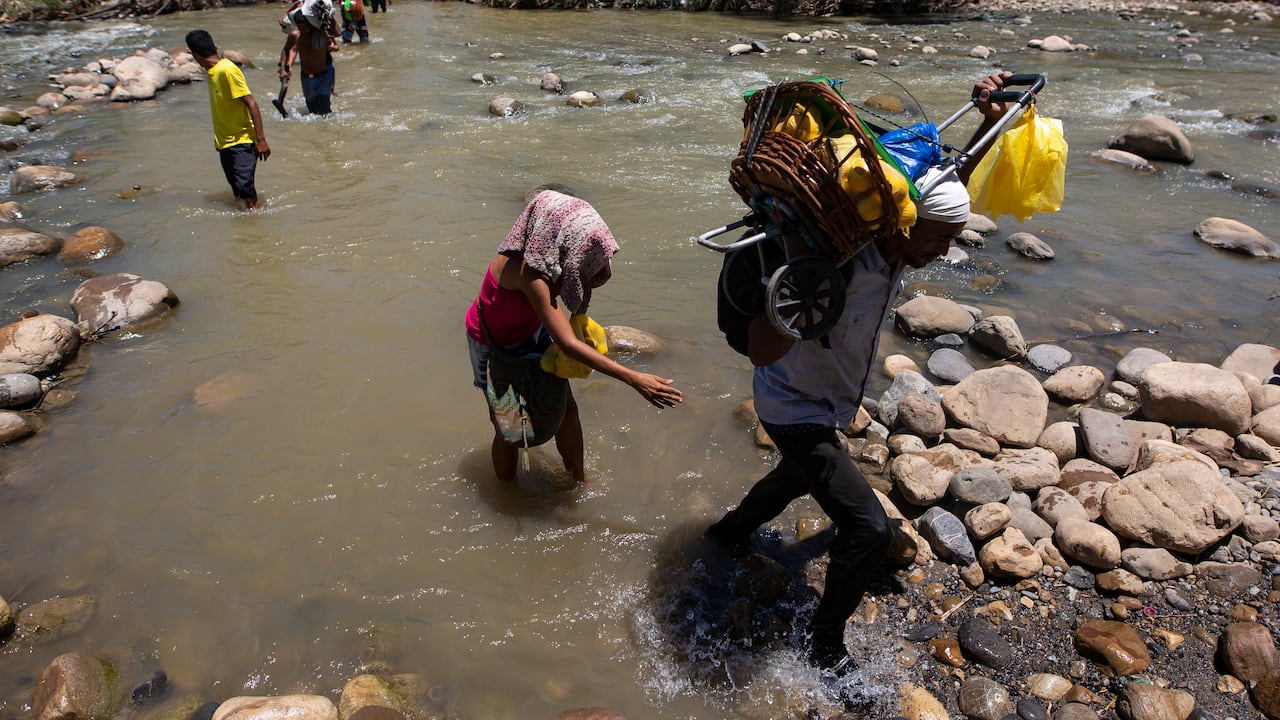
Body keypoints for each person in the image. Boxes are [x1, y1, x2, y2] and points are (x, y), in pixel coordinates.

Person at [705, 72, 1015, 671]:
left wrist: (985, 116)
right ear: (909, 224)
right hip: (793, 405)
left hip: (823, 402)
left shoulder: (901, 239)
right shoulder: (846, 257)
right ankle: (824, 646)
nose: (941, 254)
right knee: (868, 531)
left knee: (798, 478)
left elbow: (950, 185)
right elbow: (759, 350)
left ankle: (726, 535)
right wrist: (794, 295)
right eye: (938, 241)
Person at [465, 188, 684, 484]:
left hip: (532, 330)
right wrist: (635, 379)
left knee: (567, 409)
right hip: (493, 344)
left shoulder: (545, 256)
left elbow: (574, 281)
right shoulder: (527, 272)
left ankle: (578, 481)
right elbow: (567, 344)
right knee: (509, 429)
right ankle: (508, 495)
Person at [185, 29, 271, 210]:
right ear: (214, 46)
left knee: (245, 187)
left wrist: (261, 139)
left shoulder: (227, 70)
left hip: (242, 139)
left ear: (193, 54)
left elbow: (252, 104)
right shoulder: (213, 72)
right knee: (237, 190)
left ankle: (256, 221)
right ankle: (245, 219)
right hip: (224, 142)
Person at [290, 0, 340, 115]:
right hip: (306, 78)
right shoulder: (297, 36)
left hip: (323, 76)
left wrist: (329, 15)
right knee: (312, 110)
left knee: (324, 109)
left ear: (309, 24)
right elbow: (290, 50)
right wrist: (286, 66)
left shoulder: (320, 33)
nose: (303, 30)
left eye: (304, 27)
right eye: (300, 27)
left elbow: (337, 33)